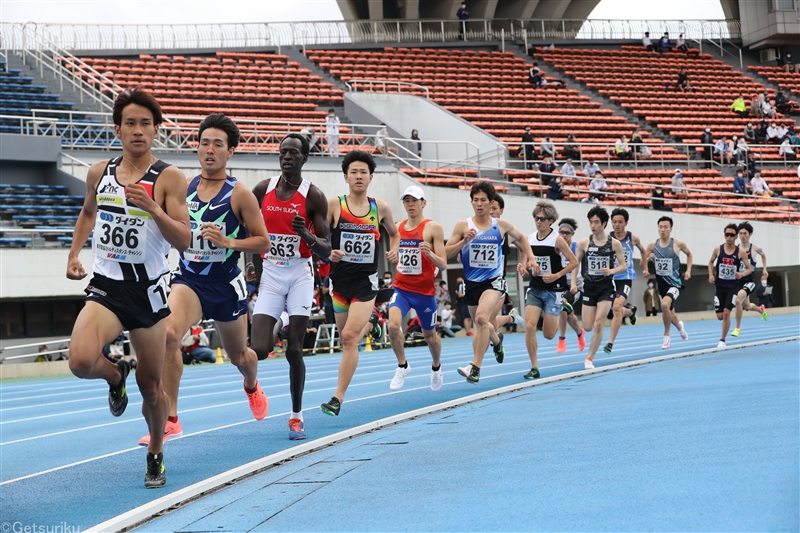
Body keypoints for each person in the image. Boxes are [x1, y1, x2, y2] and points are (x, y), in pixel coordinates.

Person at [65, 88, 191, 489]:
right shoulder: (98, 172)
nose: (138, 130)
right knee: (81, 360)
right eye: (130, 123)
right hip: (107, 284)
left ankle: (156, 450)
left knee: (152, 389)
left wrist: (153, 208)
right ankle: (115, 374)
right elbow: (88, 213)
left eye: (146, 124)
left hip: (148, 292)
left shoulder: (169, 178)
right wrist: (73, 254)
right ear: (117, 129)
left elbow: (184, 240)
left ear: (156, 130)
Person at [135, 114, 271, 449]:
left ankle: (252, 385)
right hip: (189, 280)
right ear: (196, 146)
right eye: (204, 142)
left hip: (225, 285)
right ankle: (171, 419)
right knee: (168, 334)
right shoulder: (183, 187)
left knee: (240, 356)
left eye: (218, 144)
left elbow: (263, 241)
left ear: (230, 152)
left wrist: (230, 244)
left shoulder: (240, 195)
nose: (210, 150)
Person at [251, 133, 332, 437]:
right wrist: (251, 262)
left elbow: (326, 248)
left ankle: (296, 415)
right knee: (259, 348)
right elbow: (249, 227)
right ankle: (282, 318)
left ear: (304, 159)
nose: (287, 157)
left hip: (299, 273)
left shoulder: (314, 197)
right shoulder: (263, 190)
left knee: (293, 349)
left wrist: (308, 236)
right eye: (283, 152)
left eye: (293, 153)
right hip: (271, 273)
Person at [320, 150, 399, 416]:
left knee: (348, 337)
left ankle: (337, 398)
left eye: (363, 172)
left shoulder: (381, 208)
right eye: (353, 171)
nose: (358, 176)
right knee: (348, 339)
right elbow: (320, 237)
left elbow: (395, 232)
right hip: (339, 284)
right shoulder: (335, 206)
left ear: (371, 177)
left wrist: (395, 249)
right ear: (345, 177)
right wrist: (328, 251)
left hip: (365, 284)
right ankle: (373, 324)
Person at [447, 181, 536, 384]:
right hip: (472, 283)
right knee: (485, 326)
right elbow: (445, 252)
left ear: (490, 202)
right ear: (471, 202)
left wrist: (530, 257)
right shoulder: (463, 226)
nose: (479, 204)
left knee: (480, 319)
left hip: (494, 282)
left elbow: (522, 238)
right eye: (475, 200)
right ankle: (497, 341)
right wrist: (463, 243)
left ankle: (475, 368)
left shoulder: (501, 226)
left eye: (483, 200)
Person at [386, 185, 448, 391]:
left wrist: (429, 253)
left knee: (430, 336)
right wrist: (393, 255)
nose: (410, 204)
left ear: (424, 203)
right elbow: (394, 251)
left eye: (414, 200)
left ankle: (436, 367)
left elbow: (443, 264)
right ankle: (402, 365)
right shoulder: (397, 227)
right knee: (393, 326)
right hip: (402, 289)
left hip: (424, 293)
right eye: (407, 200)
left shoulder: (433, 228)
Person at [522, 201, 578, 379]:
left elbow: (574, 262)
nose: (538, 222)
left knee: (548, 335)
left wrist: (556, 275)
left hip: (554, 290)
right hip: (535, 288)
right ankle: (534, 367)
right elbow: (527, 261)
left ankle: (564, 306)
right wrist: (524, 268)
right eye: (536, 218)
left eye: (542, 219)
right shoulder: (529, 238)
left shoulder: (557, 240)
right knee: (530, 326)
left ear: (551, 221)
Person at [572, 206, 627, 369]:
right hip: (589, 288)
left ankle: (589, 358)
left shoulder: (614, 244)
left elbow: (623, 265)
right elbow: (575, 264)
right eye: (590, 222)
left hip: (606, 288)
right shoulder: (584, 243)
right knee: (588, 326)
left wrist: (611, 270)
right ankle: (625, 310)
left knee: (598, 322)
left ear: (604, 223)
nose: (593, 225)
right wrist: (574, 282)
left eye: (596, 222)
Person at [642, 216, 691, 350]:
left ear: (671, 228)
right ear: (658, 228)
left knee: (664, 305)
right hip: (661, 284)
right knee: (670, 312)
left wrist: (688, 270)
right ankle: (680, 328)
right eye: (660, 227)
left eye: (665, 227)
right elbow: (643, 260)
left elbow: (689, 254)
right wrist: (646, 266)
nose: (663, 230)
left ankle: (666, 337)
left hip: (675, 284)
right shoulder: (653, 245)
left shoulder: (677, 244)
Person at [603, 208, 646, 355]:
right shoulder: (606, 237)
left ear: (626, 223)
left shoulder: (632, 238)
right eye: (614, 222)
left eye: (620, 222)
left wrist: (645, 266)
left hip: (625, 278)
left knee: (616, 307)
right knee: (609, 308)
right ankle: (630, 311)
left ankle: (610, 342)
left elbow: (643, 250)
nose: (617, 225)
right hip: (609, 277)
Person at [707, 224, 751, 348]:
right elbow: (710, 262)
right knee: (720, 316)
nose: (729, 237)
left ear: (736, 236)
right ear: (724, 235)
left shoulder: (740, 252)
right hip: (720, 286)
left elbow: (749, 269)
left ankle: (722, 340)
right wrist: (710, 274)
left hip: (732, 287)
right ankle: (723, 335)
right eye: (727, 234)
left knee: (726, 313)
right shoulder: (718, 249)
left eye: (732, 235)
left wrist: (742, 274)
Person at [555, 218, 587, 353]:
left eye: (567, 233)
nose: (563, 235)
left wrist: (573, 283)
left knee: (562, 307)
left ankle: (561, 339)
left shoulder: (576, 247)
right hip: (561, 285)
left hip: (575, 286)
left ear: (572, 234)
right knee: (569, 316)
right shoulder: (556, 247)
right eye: (561, 232)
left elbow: (575, 265)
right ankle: (580, 333)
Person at [732, 222, 768, 338]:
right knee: (746, 306)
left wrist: (764, 269)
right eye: (741, 233)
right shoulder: (735, 249)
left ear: (750, 234)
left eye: (745, 233)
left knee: (738, 301)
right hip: (739, 281)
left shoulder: (755, 248)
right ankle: (760, 309)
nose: (742, 236)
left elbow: (764, 256)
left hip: (749, 280)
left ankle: (737, 328)